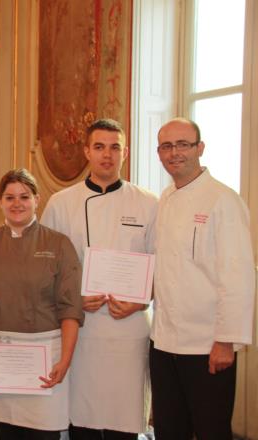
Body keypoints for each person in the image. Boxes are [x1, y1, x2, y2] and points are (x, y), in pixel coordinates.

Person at [41, 118, 158, 439]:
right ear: (86, 152)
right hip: (82, 327)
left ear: (125, 153)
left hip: (129, 328)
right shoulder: (61, 203)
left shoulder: (148, 203)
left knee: (124, 420)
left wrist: (141, 299)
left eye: (115, 147)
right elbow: (48, 267)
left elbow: (160, 263)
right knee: (83, 420)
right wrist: (73, 300)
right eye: (99, 147)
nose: (107, 154)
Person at [150, 118, 255, 440]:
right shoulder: (165, 198)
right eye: (167, 146)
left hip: (208, 345)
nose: (174, 153)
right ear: (159, 153)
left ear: (200, 148)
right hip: (164, 342)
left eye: (183, 144)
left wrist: (226, 340)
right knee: (169, 429)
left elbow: (237, 275)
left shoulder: (223, 199)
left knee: (211, 430)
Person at [0, 168, 83, 440]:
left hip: (44, 359)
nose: (17, 203)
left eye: (24, 196)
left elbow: (70, 309)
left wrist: (65, 359)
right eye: (9, 197)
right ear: (0, 202)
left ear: (37, 200)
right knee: (6, 434)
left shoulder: (59, 244)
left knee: (44, 434)